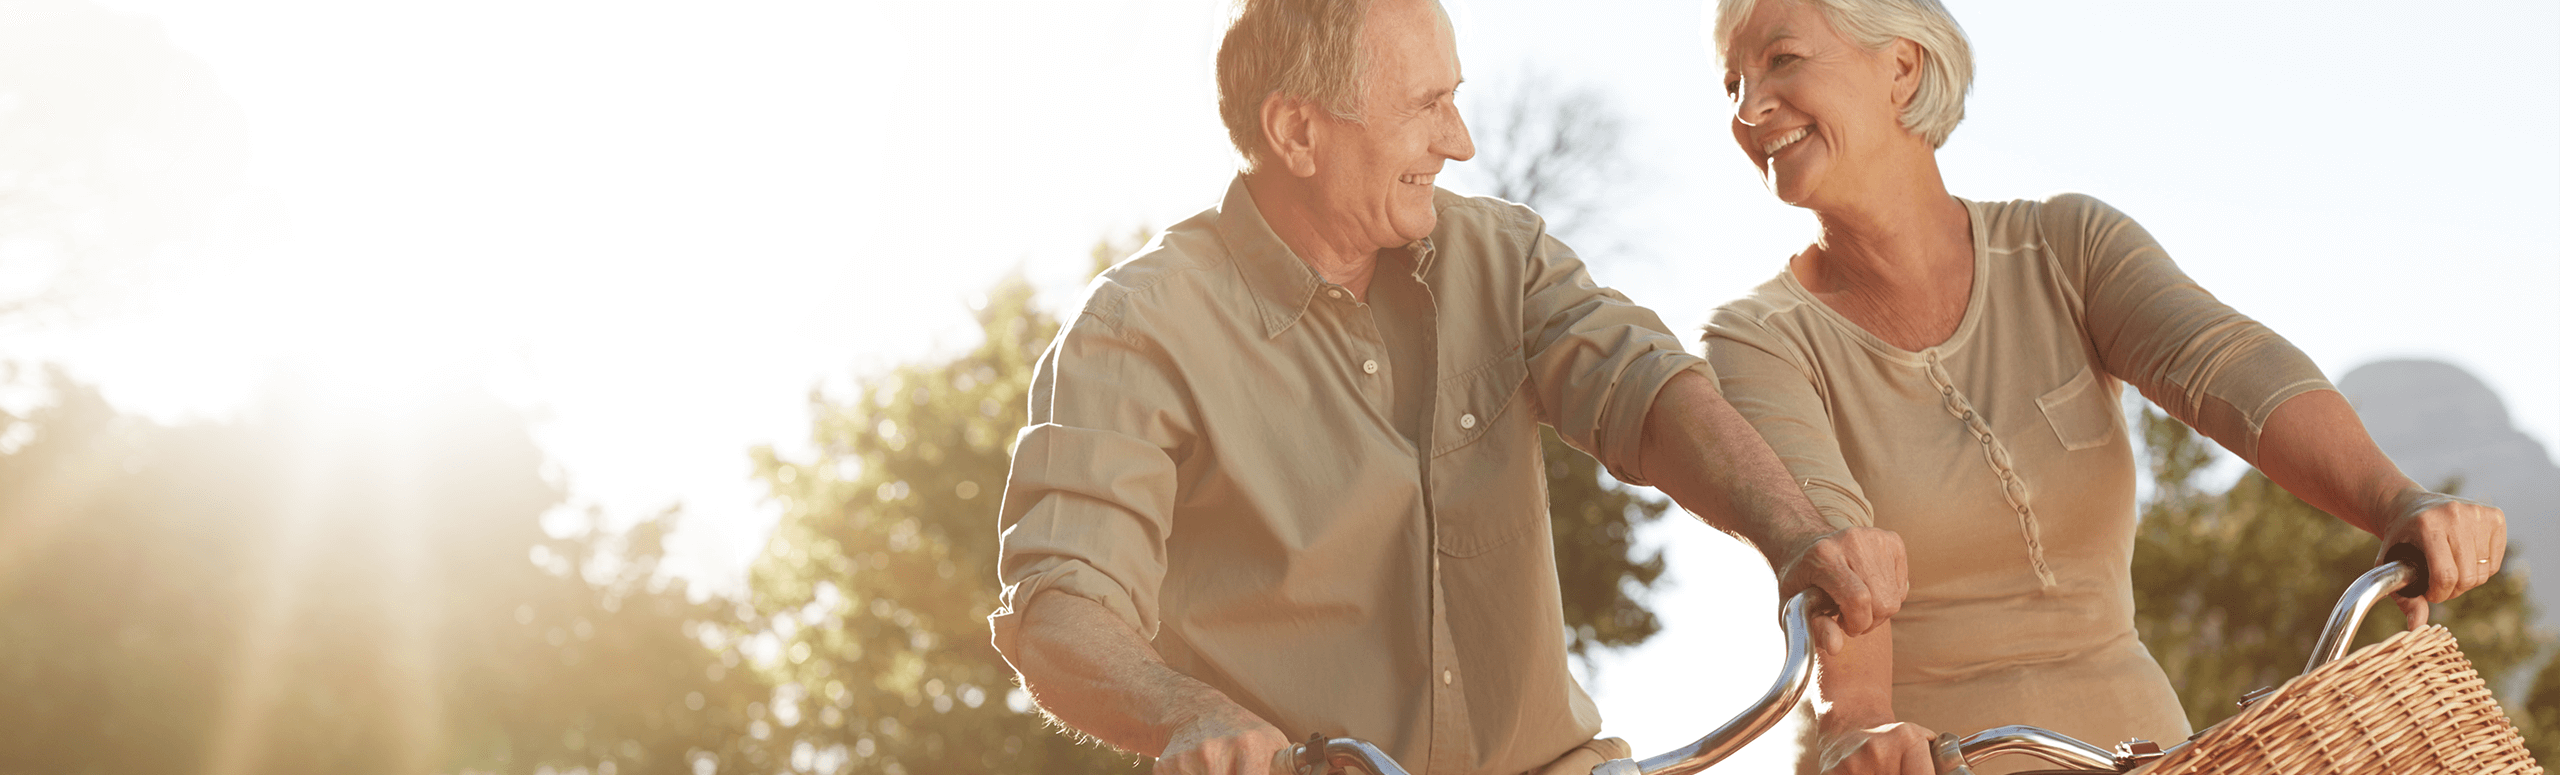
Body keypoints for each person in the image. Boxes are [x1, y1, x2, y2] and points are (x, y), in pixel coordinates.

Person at [984, 1, 1918, 773]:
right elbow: (1065, 597)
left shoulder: (1499, 256)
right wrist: (1184, 713)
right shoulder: (1136, 327)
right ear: (1297, 131)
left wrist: (1796, 534)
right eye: (1426, 106)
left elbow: (1645, 386)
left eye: (1456, 100)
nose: (1460, 141)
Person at [1697, 1, 2511, 773]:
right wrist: (1862, 719)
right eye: (1732, 85)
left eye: (1782, 60)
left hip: (2148, 747)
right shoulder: (1759, 338)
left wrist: (2394, 500)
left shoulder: (2065, 246)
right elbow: (1826, 546)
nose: (1750, 106)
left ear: (1902, 67)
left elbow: (2227, 362)